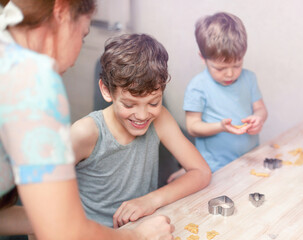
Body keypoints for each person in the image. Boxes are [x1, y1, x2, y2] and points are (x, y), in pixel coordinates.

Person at [0, 1, 174, 239]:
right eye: (83, 35)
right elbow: (64, 233)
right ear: (61, 10)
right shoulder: (31, 81)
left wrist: (51, 219)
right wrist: (136, 236)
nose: (76, 56)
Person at [70, 33, 211, 229]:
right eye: (129, 104)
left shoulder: (160, 118)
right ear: (106, 91)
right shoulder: (85, 132)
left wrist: (151, 200)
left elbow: (202, 172)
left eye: (153, 102)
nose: (143, 115)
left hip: (142, 228)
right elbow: (42, 200)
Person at [168, 12, 268, 181]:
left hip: (248, 158)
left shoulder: (249, 78)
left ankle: (183, 173)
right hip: (213, 166)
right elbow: (193, 127)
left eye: (237, 65)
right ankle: (185, 172)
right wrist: (221, 126)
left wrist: (259, 119)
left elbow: (260, 109)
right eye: (220, 68)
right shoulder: (198, 87)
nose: (230, 74)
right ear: (203, 58)